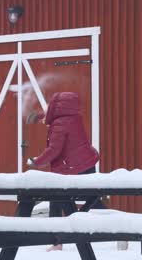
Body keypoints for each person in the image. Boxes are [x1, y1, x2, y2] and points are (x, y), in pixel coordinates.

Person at [26, 92, 106, 251]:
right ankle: (119, 228)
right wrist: (40, 116)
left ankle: (58, 241)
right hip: (87, 163)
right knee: (93, 200)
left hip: (72, 167)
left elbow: (54, 150)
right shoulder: (73, 116)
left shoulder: (60, 124)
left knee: (58, 199)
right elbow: (54, 116)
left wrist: (36, 162)